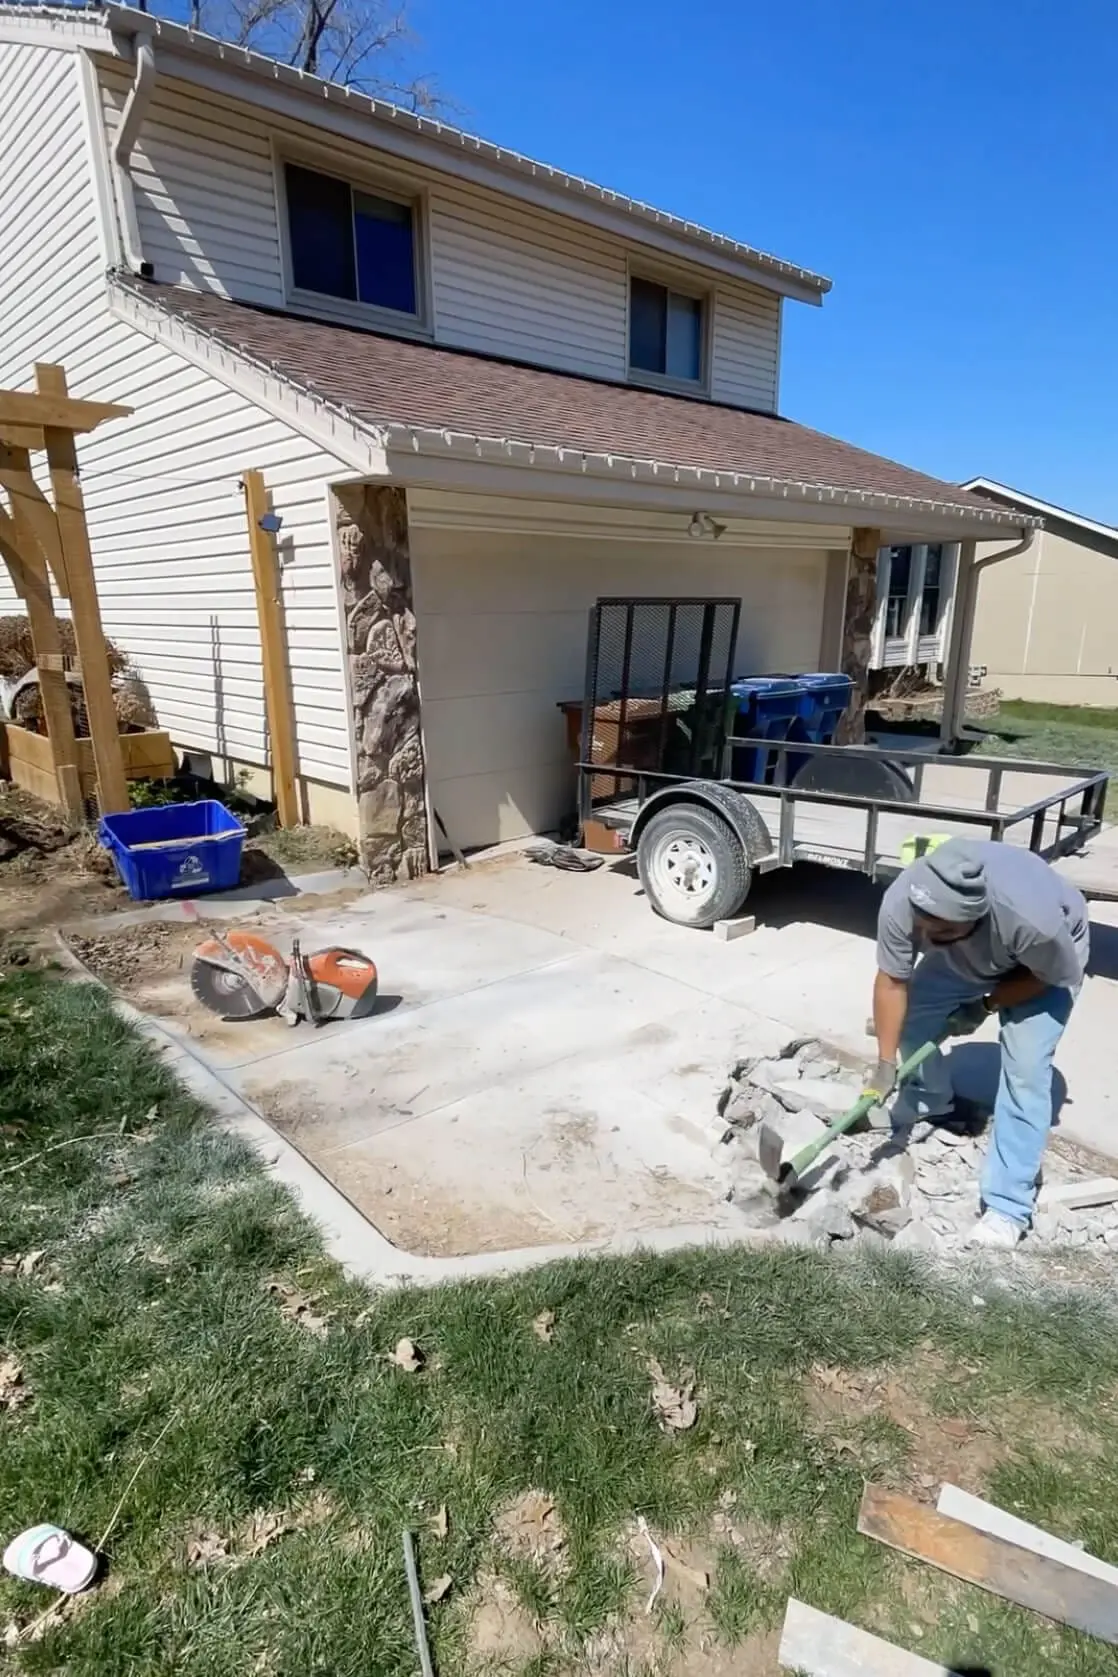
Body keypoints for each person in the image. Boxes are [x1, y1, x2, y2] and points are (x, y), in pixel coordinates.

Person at [865, 836, 1090, 1248]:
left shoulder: (1033, 921)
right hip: (974, 952)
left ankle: (1007, 1207)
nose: (928, 938)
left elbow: (1048, 975)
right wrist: (884, 1063)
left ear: (975, 917)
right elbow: (894, 980)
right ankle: (932, 1100)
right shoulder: (906, 901)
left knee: (1024, 1072)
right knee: (914, 1016)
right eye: (923, 927)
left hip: (1045, 966)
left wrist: (986, 1004)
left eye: (943, 931)